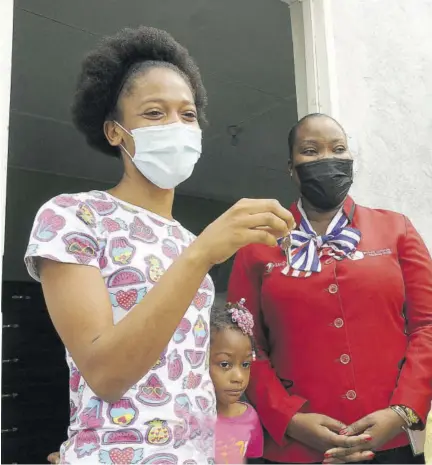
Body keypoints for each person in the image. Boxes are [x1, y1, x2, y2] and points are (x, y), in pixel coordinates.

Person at [24, 26, 298, 464]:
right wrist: (202, 255)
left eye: (187, 115)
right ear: (115, 132)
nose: (176, 126)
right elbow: (106, 374)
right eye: (154, 113)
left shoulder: (188, 242)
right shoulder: (73, 217)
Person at [227, 113, 432, 464]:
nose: (327, 159)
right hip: (295, 450)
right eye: (311, 150)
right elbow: (245, 345)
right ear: (291, 167)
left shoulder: (395, 229)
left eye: (338, 149)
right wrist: (289, 418)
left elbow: (427, 326)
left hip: (388, 442)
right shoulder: (257, 245)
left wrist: (402, 412)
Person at [210, 299, 264, 463]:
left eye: (246, 364)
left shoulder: (249, 418)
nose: (239, 377)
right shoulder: (190, 419)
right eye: (225, 364)